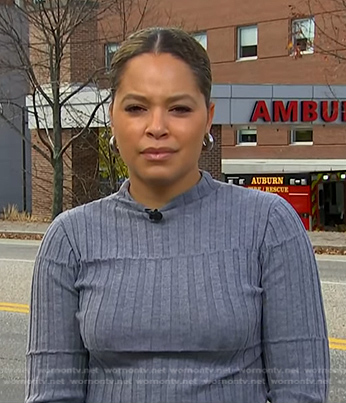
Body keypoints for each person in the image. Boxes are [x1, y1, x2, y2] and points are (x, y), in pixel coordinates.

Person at [25, 26, 330, 403]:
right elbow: (52, 394)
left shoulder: (269, 226)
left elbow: (301, 392)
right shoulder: (69, 240)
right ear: (112, 118)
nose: (157, 128)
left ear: (207, 118)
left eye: (179, 108)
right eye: (136, 108)